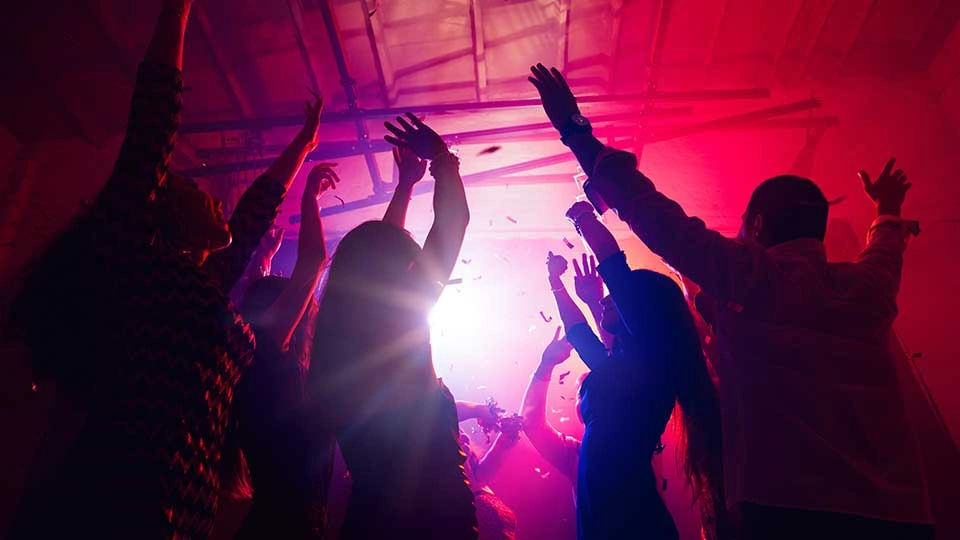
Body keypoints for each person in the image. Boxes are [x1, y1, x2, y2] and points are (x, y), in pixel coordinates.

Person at [528, 62, 933, 539]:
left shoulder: (748, 278)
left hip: (788, 507)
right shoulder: (866, 290)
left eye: (743, 224)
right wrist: (887, 209)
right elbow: (886, 252)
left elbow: (652, 213)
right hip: (896, 513)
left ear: (757, 226)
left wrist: (575, 132)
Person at [9, 2, 325, 535]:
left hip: (180, 515)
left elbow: (252, 215)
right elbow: (150, 133)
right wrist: (176, 14)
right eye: (200, 193)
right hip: (110, 507)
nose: (218, 202)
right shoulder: (138, 261)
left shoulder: (201, 284)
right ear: (163, 215)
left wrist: (303, 145)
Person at [309, 115, 476, 539]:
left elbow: (378, 257)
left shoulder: (334, 343)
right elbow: (451, 224)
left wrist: (405, 186)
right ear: (401, 271)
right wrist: (442, 159)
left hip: (370, 520)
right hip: (435, 518)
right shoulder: (403, 319)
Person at [543, 234, 724, 539]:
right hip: (605, 510)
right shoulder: (621, 365)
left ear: (643, 314)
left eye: (617, 297)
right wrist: (556, 285)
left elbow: (614, 270)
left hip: (626, 513)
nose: (605, 299)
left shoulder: (652, 364)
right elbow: (578, 333)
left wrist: (587, 221)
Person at [228, 164, 340, 539]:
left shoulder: (265, 363)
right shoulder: (268, 357)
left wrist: (264, 263)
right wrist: (309, 199)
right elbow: (312, 262)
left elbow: (259, 300)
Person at [456, 401, 521, 540]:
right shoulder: (449, 487)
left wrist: (507, 428)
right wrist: (481, 410)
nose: (464, 437)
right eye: (455, 435)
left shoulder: (477, 478)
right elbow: (440, 414)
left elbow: (501, 448)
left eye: (461, 431)